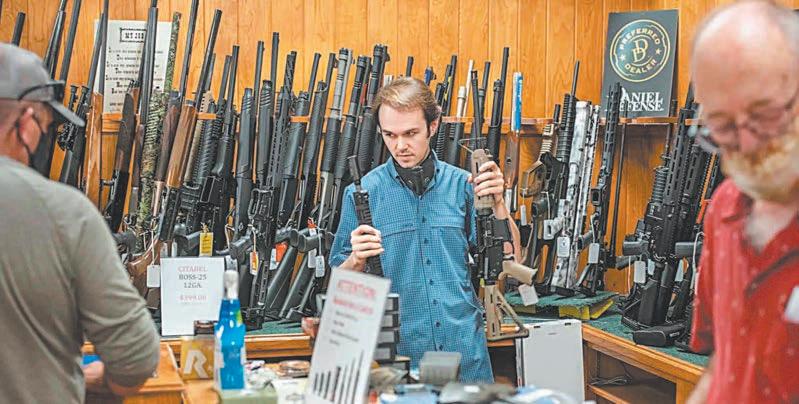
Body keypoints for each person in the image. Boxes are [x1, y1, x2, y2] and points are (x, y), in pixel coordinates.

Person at [329, 77, 522, 383]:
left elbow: (512, 261)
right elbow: (339, 287)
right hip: (400, 362)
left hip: (465, 356)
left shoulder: (463, 186)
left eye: (410, 133)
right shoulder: (361, 194)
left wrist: (498, 202)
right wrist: (356, 260)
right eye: (390, 135)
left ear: (433, 126)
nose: (400, 146)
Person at [0, 44, 160, 403]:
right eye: (45, 125)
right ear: (25, 122)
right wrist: (83, 379)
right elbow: (136, 358)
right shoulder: (64, 213)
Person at [688, 1, 799, 402]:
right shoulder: (724, 208)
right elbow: (726, 358)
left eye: (765, 115)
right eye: (722, 126)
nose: (748, 144)